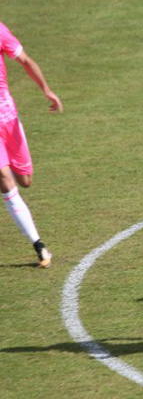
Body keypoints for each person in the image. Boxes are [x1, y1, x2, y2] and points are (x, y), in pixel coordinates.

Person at [1, 22, 63, 268]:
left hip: (9, 120)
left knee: (25, 180)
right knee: (6, 180)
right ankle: (39, 245)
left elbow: (25, 61)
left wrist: (46, 90)